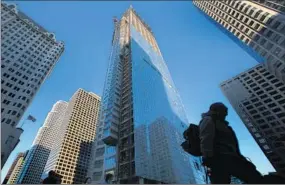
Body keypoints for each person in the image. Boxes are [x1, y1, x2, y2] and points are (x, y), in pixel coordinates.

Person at [199, 102, 264, 184]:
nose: (225, 115)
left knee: (254, 177)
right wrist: (208, 157)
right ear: (216, 110)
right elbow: (206, 138)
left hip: (231, 158)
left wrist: (240, 157)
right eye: (224, 112)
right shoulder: (208, 119)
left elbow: (233, 145)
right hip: (219, 159)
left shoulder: (223, 124)